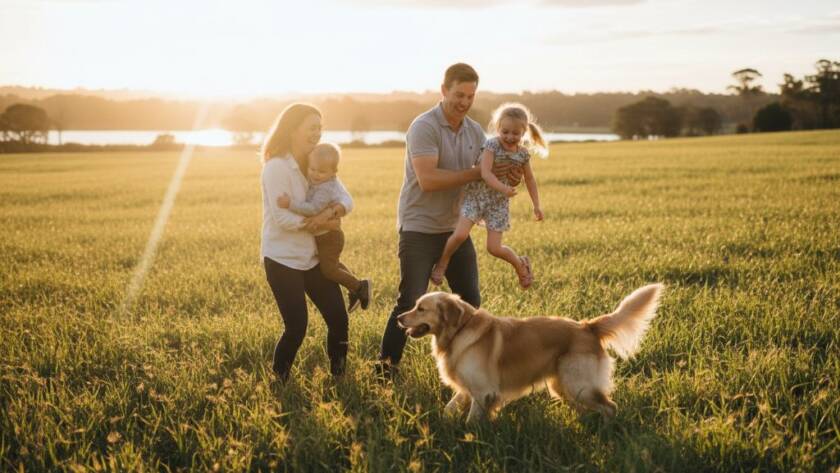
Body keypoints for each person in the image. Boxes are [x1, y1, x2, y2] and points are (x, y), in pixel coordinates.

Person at [376, 63, 522, 378]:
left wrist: (507, 176)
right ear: (444, 90)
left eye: (470, 96)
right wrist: (479, 173)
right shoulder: (424, 127)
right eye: (458, 94)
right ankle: (385, 372)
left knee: (469, 302)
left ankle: (472, 370)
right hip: (418, 227)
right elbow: (427, 179)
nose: (464, 102)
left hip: (455, 229)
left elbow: (487, 177)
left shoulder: (474, 132)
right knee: (409, 300)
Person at [260, 103, 352, 382]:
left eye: (320, 128)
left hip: (311, 256)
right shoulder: (277, 167)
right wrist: (319, 223)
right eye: (312, 127)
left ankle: (339, 376)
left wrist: (334, 211)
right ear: (293, 128)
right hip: (282, 258)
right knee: (297, 326)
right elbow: (280, 217)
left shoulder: (318, 161)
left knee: (338, 318)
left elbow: (346, 199)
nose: (317, 133)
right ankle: (280, 380)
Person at [430, 103, 547, 289]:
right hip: (476, 197)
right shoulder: (492, 145)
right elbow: (485, 173)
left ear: (523, 132)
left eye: (515, 133)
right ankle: (442, 263)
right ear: (498, 128)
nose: (509, 137)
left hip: (498, 204)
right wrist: (503, 188)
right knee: (460, 234)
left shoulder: (523, 154)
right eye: (505, 131)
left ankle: (520, 264)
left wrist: (537, 205)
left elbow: (530, 179)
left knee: (494, 248)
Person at [276, 142, 371, 312]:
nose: (315, 175)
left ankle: (359, 286)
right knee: (332, 264)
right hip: (325, 235)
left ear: (334, 173)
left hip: (329, 237)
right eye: (312, 169)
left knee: (328, 270)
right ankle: (355, 288)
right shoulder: (320, 181)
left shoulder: (326, 188)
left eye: (321, 172)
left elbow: (312, 209)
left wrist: (290, 203)